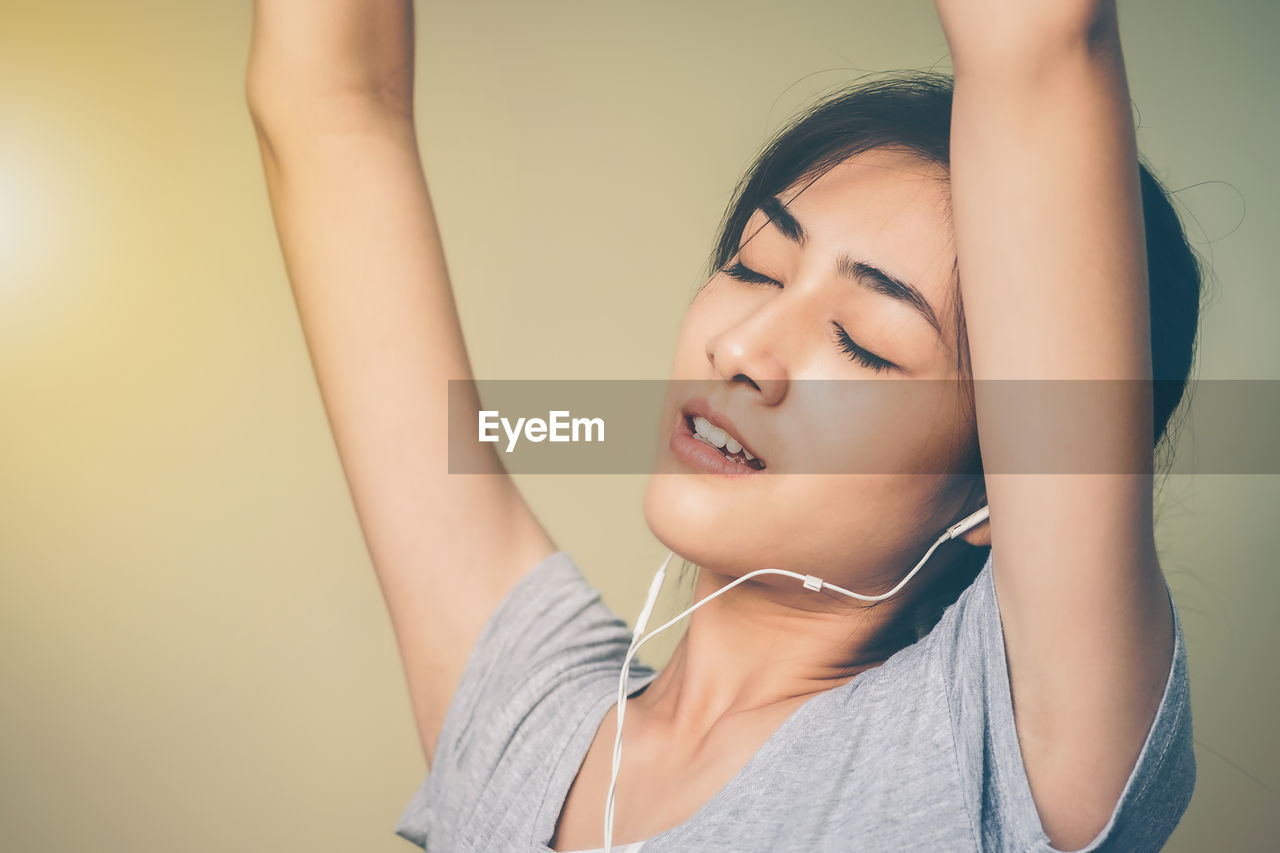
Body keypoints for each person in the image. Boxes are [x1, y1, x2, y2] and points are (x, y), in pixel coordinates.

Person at [246, 1, 1201, 850]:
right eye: (754, 267)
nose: (744, 346)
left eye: (865, 343)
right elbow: (330, 111)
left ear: (1001, 485)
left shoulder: (993, 756)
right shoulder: (520, 713)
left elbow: (1039, 43)